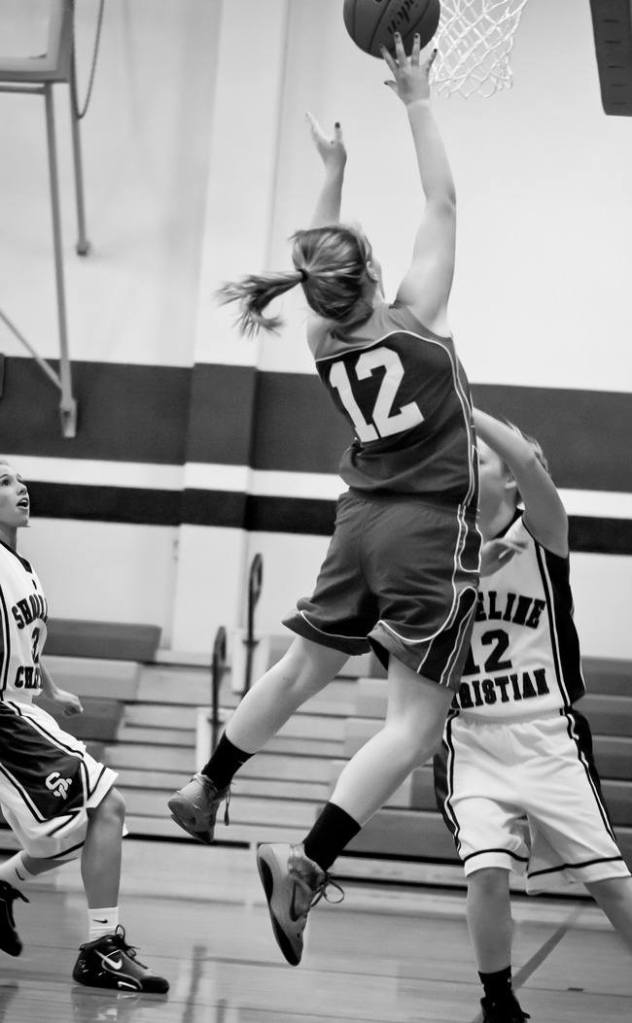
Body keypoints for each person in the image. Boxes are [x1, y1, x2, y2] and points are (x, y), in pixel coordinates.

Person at [169, 34, 480, 966]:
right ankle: (305, 861)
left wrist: (334, 169)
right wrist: (416, 97)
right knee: (415, 724)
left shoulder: (320, 339)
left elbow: (325, 263)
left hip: (357, 523)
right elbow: (443, 202)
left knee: (303, 669)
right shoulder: (415, 325)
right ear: (377, 278)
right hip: (428, 529)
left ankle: (210, 782)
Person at [434, 410, 632, 1023]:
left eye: (482, 456)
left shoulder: (543, 531)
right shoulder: (441, 549)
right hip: (472, 737)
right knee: (486, 874)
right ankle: (498, 1002)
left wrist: (461, 403)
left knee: (611, 884)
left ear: (517, 478)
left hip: (548, 733)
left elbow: (522, 455)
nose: (470, 461)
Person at [0, 460, 169, 994]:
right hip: (2, 713)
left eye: (19, 479)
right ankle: (100, 949)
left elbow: (22, 638)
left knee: (92, 828)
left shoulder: (21, 566)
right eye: (3, 482)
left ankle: (6, 885)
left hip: (22, 704)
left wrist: (50, 688)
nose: (20, 488)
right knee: (107, 807)